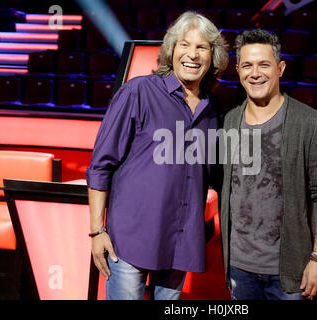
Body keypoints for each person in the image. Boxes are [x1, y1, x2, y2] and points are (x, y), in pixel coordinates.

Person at [86, 11, 228, 300]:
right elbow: (101, 165)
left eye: (201, 47)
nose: (192, 54)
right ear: (171, 51)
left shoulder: (213, 110)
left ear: (213, 56)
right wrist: (96, 231)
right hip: (128, 240)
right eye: (184, 45)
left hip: (180, 242)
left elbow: (213, 176)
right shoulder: (138, 92)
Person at [219, 29, 317, 300]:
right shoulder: (229, 122)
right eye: (247, 65)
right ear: (238, 70)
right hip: (240, 269)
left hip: (292, 272)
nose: (255, 73)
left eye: (264, 64)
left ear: (280, 68)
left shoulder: (308, 121)